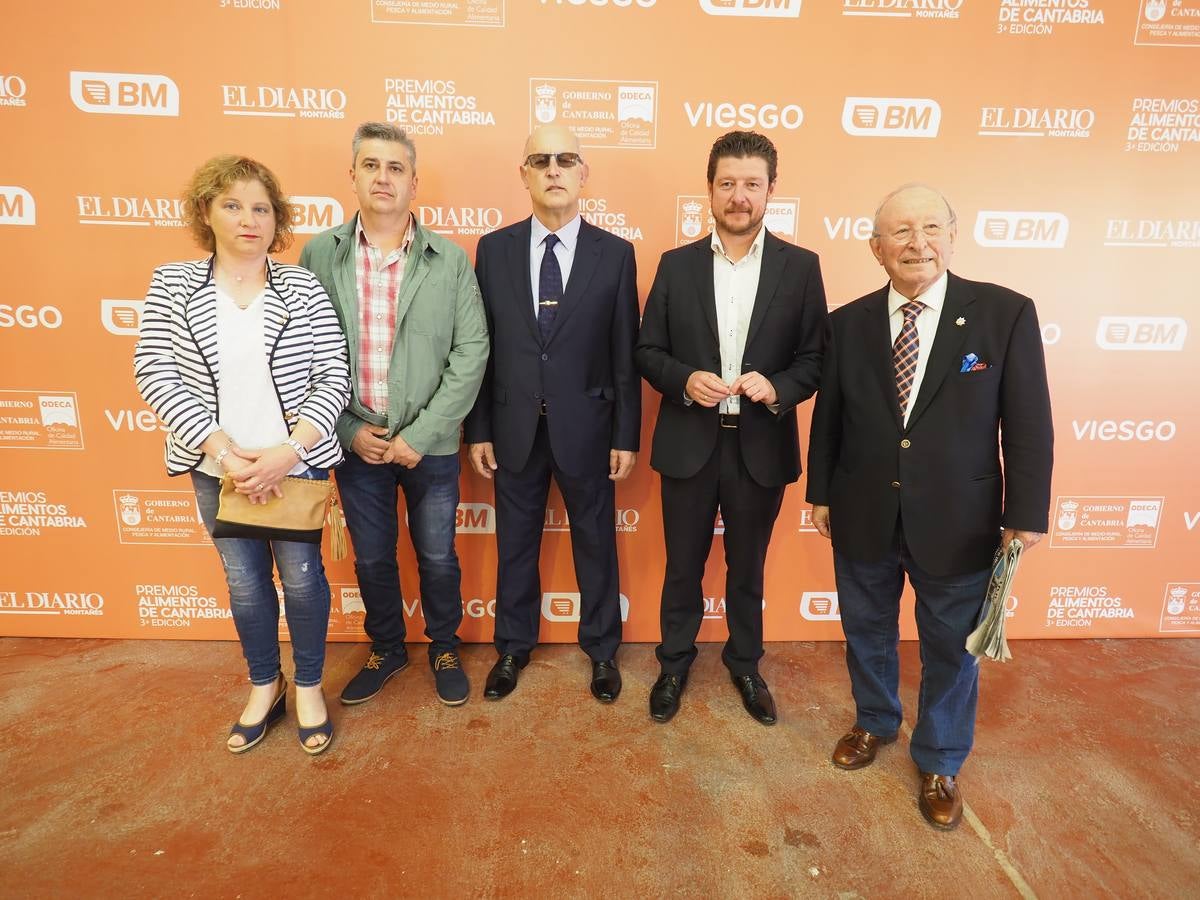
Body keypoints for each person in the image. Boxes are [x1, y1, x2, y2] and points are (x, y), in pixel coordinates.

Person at [806, 183, 1053, 830]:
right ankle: (875, 721)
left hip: (960, 521)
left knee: (950, 646)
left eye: (931, 229)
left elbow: (1028, 424)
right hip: (862, 509)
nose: (918, 244)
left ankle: (940, 758)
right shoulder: (846, 322)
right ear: (876, 248)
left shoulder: (1004, 314)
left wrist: (1024, 515)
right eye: (901, 233)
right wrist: (820, 492)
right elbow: (829, 417)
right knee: (867, 631)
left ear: (952, 235)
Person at [134, 155, 352, 755]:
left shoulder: (303, 287)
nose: (248, 219)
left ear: (276, 218)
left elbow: (333, 374)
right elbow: (154, 372)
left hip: (295, 464)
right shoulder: (173, 284)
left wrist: (288, 451)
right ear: (206, 211)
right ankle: (265, 684)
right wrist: (224, 452)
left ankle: (308, 685)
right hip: (214, 467)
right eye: (232, 205)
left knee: (304, 582)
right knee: (247, 585)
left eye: (261, 208)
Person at [635, 131, 826, 725]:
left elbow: (815, 359)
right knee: (682, 565)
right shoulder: (676, 265)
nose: (739, 196)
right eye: (727, 184)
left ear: (772, 190)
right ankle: (673, 664)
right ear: (710, 191)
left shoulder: (801, 267)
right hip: (690, 441)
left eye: (751, 184)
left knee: (749, 566)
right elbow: (646, 350)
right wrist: (683, 379)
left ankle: (745, 663)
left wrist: (780, 388)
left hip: (760, 445)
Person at [300, 123, 489, 707]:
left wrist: (424, 434)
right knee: (374, 554)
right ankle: (385, 646)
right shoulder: (318, 254)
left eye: (396, 168)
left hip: (427, 446)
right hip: (356, 443)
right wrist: (350, 431)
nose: (383, 177)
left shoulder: (449, 260)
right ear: (352, 176)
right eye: (371, 165)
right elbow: (304, 351)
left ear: (415, 182)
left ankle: (444, 644)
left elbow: (471, 349)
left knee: (436, 553)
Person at [464, 124, 640, 703]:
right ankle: (512, 648)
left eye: (566, 159)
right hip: (514, 428)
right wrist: (481, 427)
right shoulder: (493, 250)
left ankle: (602, 652)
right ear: (524, 174)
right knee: (515, 542)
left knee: (595, 542)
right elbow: (482, 348)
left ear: (584, 172)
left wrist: (626, 434)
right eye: (540, 160)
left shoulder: (615, 255)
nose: (554, 169)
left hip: (589, 428)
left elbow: (624, 353)